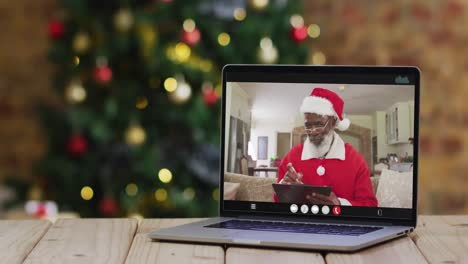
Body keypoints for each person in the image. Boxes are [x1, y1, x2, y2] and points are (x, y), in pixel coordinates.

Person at [275, 88, 378, 207]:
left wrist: (340, 204)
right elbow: (277, 203)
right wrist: (285, 188)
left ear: (334, 122)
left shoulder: (356, 161)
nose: (313, 132)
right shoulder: (292, 157)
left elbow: (370, 205)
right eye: (308, 125)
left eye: (319, 124)